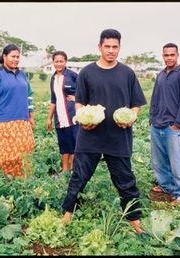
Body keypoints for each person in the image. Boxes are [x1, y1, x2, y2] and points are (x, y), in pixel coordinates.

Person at [61, 29, 147, 234]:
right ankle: (67, 214)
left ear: (119, 48)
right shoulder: (87, 72)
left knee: (125, 179)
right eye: (107, 46)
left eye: (115, 47)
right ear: (99, 47)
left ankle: (134, 220)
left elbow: (136, 105)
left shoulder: (127, 73)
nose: (111, 51)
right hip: (90, 136)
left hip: (119, 137)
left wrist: (132, 118)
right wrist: (82, 121)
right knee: (79, 176)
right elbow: (79, 103)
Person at [149, 43, 180, 205]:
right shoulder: (161, 74)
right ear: (163, 56)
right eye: (166, 55)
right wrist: (151, 119)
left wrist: (178, 124)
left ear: (177, 55)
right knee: (159, 161)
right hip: (157, 125)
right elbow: (155, 98)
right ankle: (166, 186)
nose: (169, 58)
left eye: (171, 55)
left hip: (173, 126)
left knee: (178, 161)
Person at [0, 44, 35, 179]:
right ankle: (6, 181)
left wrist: (31, 117)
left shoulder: (22, 75)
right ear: (4, 56)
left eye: (18, 57)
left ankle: (23, 181)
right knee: (6, 156)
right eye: (13, 56)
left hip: (23, 121)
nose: (16, 59)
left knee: (26, 150)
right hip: (4, 122)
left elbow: (29, 97)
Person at [46, 51, 79, 173]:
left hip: (73, 117)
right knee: (64, 144)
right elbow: (53, 99)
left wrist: (76, 99)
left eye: (61, 61)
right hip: (59, 118)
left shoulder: (73, 76)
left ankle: (74, 170)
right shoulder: (53, 78)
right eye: (56, 61)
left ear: (65, 62)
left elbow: (86, 92)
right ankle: (65, 171)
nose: (59, 64)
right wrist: (49, 118)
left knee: (75, 145)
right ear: (53, 62)